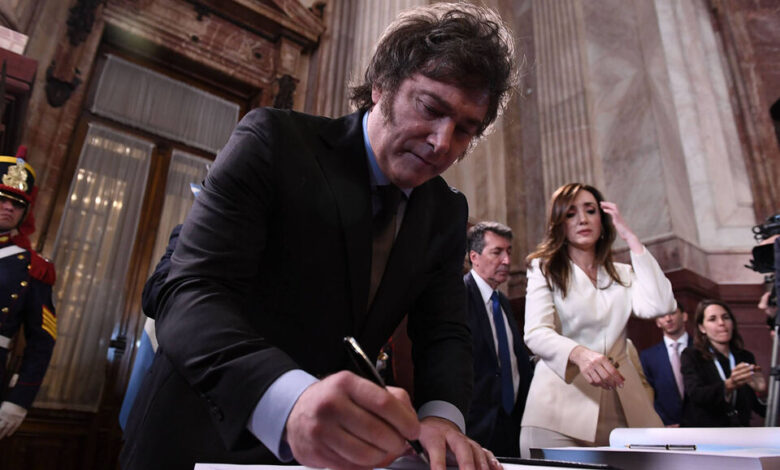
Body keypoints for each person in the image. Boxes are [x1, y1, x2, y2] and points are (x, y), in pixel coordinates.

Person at [120, 3, 517, 470]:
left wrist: (442, 419)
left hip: (330, 458)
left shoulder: (447, 210)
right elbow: (189, 292)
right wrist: (288, 399)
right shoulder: (273, 142)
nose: (442, 143)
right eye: (430, 108)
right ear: (381, 85)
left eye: (466, 130)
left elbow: (445, 332)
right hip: (199, 437)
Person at [520, 183, 672, 458]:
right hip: (558, 412)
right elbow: (536, 332)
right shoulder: (543, 268)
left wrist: (631, 238)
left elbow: (660, 305)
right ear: (559, 223)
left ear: (603, 220)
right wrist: (579, 354)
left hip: (626, 408)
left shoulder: (623, 273)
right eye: (570, 213)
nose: (582, 219)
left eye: (590, 211)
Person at [0, 146, 56, 439]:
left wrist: (19, 400)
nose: (9, 207)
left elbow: (41, 342)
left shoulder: (34, 268)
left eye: (18, 204)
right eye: (2, 199)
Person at [464, 221, 532, 457]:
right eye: (497, 252)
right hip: (477, 427)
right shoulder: (458, 297)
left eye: (509, 252)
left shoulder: (501, 301)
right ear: (474, 257)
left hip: (512, 423)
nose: (506, 260)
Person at [680, 299, 767, 427]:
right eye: (713, 319)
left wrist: (762, 393)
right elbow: (696, 395)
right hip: (706, 432)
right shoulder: (691, 355)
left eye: (725, 317)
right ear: (702, 328)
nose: (721, 323)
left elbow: (761, 409)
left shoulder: (745, 357)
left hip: (740, 431)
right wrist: (729, 385)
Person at [639, 301, 692, 426]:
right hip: (665, 427)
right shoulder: (648, 356)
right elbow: (648, 395)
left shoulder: (703, 350)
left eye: (672, 313)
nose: (668, 319)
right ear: (657, 322)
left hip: (702, 426)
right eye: (662, 315)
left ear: (684, 316)